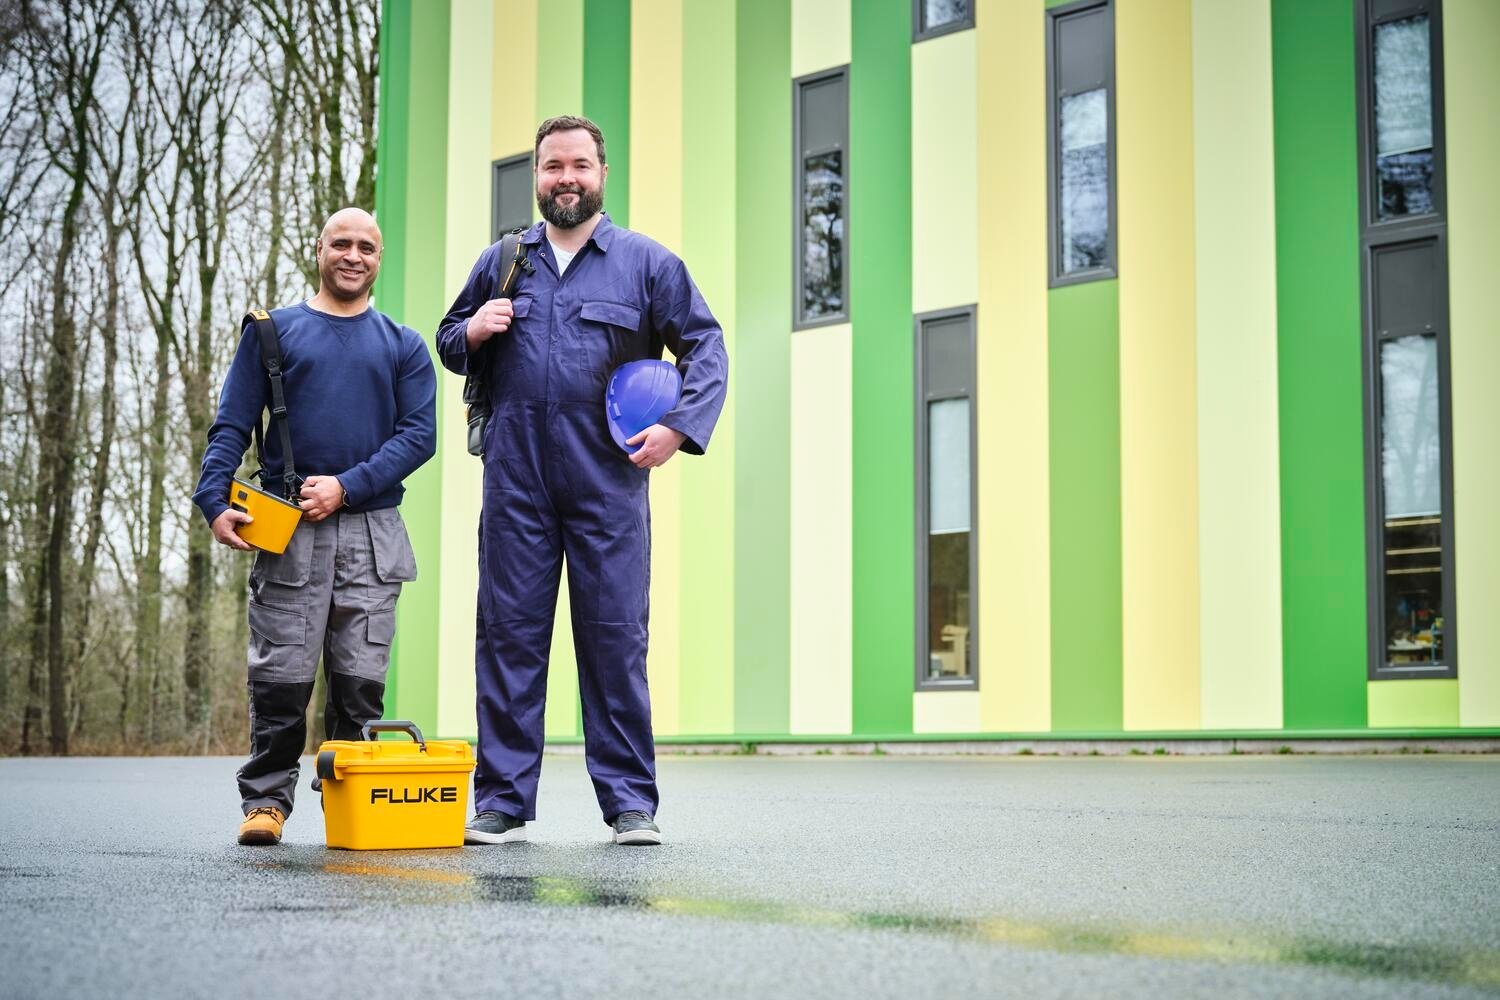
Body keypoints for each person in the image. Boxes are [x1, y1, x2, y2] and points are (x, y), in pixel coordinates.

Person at [435, 115, 728, 847]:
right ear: (536, 177)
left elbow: (705, 343)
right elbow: (447, 338)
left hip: (607, 483)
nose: (566, 178)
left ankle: (631, 803)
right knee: (508, 637)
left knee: (614, 640)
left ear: (602, 174)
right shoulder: (503, 260)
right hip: (516, 481)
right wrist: (470, 333)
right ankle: (502, 803)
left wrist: (679, 426)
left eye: (579, 166)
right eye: (551, 166)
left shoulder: (645, 264)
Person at [192, 207, 437, 846]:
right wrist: (212, 500)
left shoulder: (405, 345)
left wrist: (347, 485)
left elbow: (420, 437)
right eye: (341, 244)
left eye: (367, 247)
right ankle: (266, 804)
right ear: (319, 249)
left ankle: (349, 809)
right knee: (281, 678)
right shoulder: (273, 333)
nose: (354, 256)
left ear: (379, 259)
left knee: (359, 685)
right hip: (288, 534)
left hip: (373, 534)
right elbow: (231, 425)